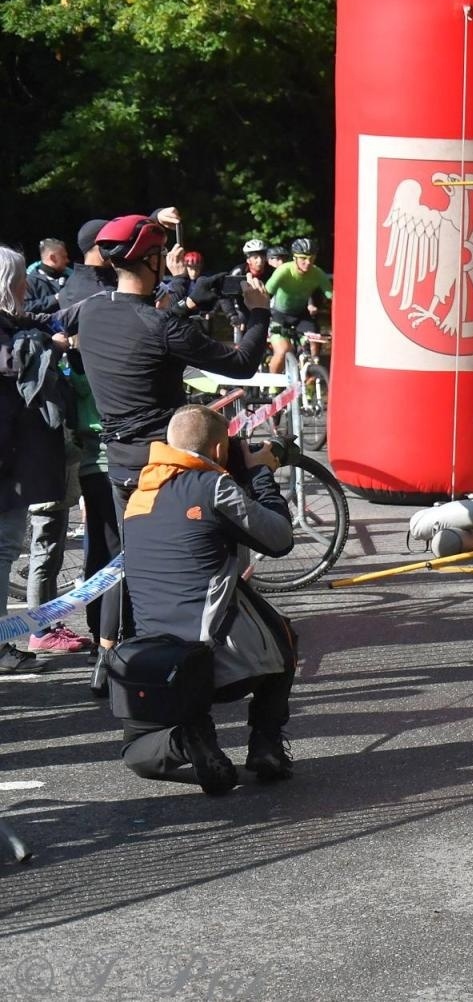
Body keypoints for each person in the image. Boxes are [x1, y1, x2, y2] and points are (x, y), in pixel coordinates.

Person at [73, 215, 272, 648]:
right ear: (151, 260)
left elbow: (138, 324)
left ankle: (108, 656)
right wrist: (259, 312)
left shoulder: (90, 313)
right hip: (167, 466)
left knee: (127, 559)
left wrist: (185, 304)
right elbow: (240, 363)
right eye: (161, 255)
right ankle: (219, 642)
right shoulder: (161, 327)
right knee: (202, 548)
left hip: (119, 463)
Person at [118, 405, 296, 795]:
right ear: (218, 450)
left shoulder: (137, 495)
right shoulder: (213, 487)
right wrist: (260, 474)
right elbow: (279, 539)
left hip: (155, 665)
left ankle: (186, 739)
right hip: (216, 661)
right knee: (283, 636)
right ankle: (265, 746)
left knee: (136, 753)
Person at [1, 246, 74, 670]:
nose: (27, 285)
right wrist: (50, 347)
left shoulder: (11, 324)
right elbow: (12, 366)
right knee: (4, 550)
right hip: (5, 463)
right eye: (20, 279)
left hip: (10, 459)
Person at [264, 237, 331, 374]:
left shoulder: (317, 273)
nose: (308, 263)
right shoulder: (284, 270)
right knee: (282, 350)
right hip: (278, 315)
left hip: (301, 316)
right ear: (294, 258)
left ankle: (309, 380)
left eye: (312, 259)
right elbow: (265, 294)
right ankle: (273, 388)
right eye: (303, 258)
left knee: (313, 341)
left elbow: (333, 298)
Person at [25, 238, 72, 314]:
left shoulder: (70, 277)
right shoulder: (29, 282)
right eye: (64, 257)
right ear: (52, 258)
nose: (67, 260)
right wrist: (55, 298)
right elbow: (26, 307)